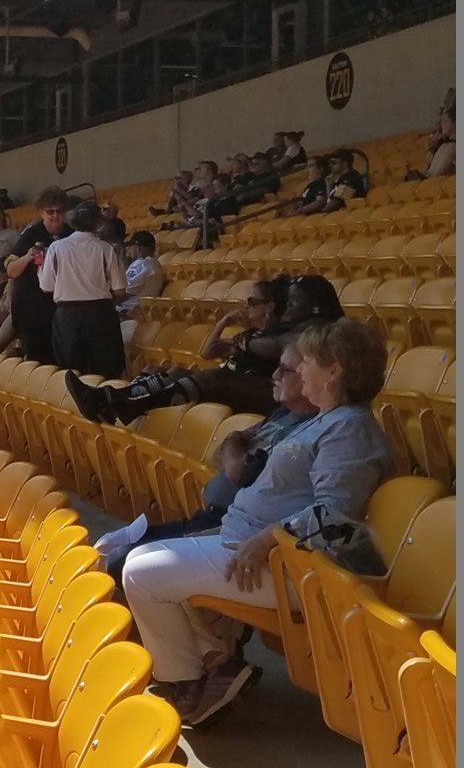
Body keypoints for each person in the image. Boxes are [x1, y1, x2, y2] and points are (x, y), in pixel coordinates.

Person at [122, 318, 391, 726]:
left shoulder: (350, 428)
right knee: (152, 560)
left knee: (141, 571)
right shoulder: (324, 418)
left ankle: (190, 682)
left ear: (334, 370)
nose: (299, 371)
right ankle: (215, 668)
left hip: (293, 570)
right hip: (254, 548)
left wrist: (268, 539)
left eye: (308, 363)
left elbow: (335, 514)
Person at [93, 343, 318, 591]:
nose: (275, 375)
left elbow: (242, 470)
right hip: (213, 515)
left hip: (234, 526)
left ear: (313, 377)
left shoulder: (312, 433)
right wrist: (235, 458)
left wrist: (236, 458)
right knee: (110, 552)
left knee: (122, 561)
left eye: (285, 370)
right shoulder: (282, 414)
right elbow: (224, 448)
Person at [67, 275, 343, 424]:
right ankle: (108, 400)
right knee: (171, 370)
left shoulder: (316, 328)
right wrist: (229, 329)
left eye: (253, 301)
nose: (291, 307)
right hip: (248, 384)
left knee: (213, 377)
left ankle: (130, 406)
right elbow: (208, 351)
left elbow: (279, 346)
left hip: (274, 394)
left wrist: (242, 342)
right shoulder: (275, 329)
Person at [39, 200, 125, 377]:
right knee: (106, 370)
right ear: (98, 222)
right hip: (101, 314)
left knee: (72, 372)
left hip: (67, 316)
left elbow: (46, 287)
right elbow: (120, 290)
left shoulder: (56, 247)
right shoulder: (106, 249)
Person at [4, 188, 73, 364]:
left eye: (59, 211)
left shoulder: (71, 234)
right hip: (32, 305)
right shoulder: (31, 234)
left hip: (60, 306)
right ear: (42, 213)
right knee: (37, 357)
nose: (55, 216)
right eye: (50, 212)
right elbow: (11, 270)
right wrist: (28, 257)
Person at [119, 231, 167, 318]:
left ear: (138, 248)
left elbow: (123, 290)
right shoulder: (154, 263)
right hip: (142, 310)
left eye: (131, 247)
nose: (129, 251)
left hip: (131, 310)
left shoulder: (142, 264)